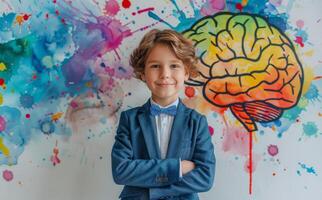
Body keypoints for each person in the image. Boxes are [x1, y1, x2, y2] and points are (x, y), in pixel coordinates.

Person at [111, 29, 215, 200]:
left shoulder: (197, 122)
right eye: (155, 66)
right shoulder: (129, 119)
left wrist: (153, 189)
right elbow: (120, 171)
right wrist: (178, 168)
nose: (165, 74)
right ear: (143, 73)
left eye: (174, 65)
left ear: (186, 72)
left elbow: (205, 178)